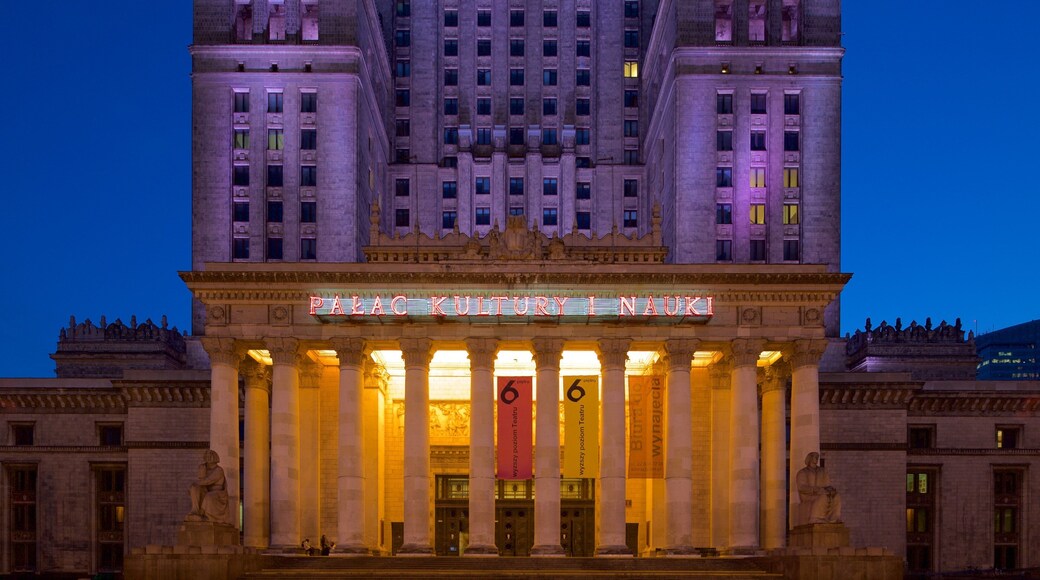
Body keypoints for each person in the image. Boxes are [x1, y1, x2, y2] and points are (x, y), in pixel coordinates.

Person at [795, 452, 842, 524]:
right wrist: (815, 490)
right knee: (823, 497)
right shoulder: (802, 472)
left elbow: (827, 484)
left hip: (822, 492)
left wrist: (830, 490)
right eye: (815, 457)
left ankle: (834, 517)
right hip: (809, 495)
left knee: (836, 496)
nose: (817, 459)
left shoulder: (822, 471)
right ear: (810, 458)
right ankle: (815, 518)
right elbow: (801, 487)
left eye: (817, 457)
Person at [188, 449, 230, 524]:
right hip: (207, 490)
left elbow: (208, 481)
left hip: (218, 493)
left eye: (210, 456)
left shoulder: (219, 470)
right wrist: (201, 471)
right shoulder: (204, 468)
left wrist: (197, 482)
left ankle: (204, 514)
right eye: (207, 456)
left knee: (208, 496)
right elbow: (201, 480)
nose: (208, 458)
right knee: (194, 488)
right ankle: (195, 511)